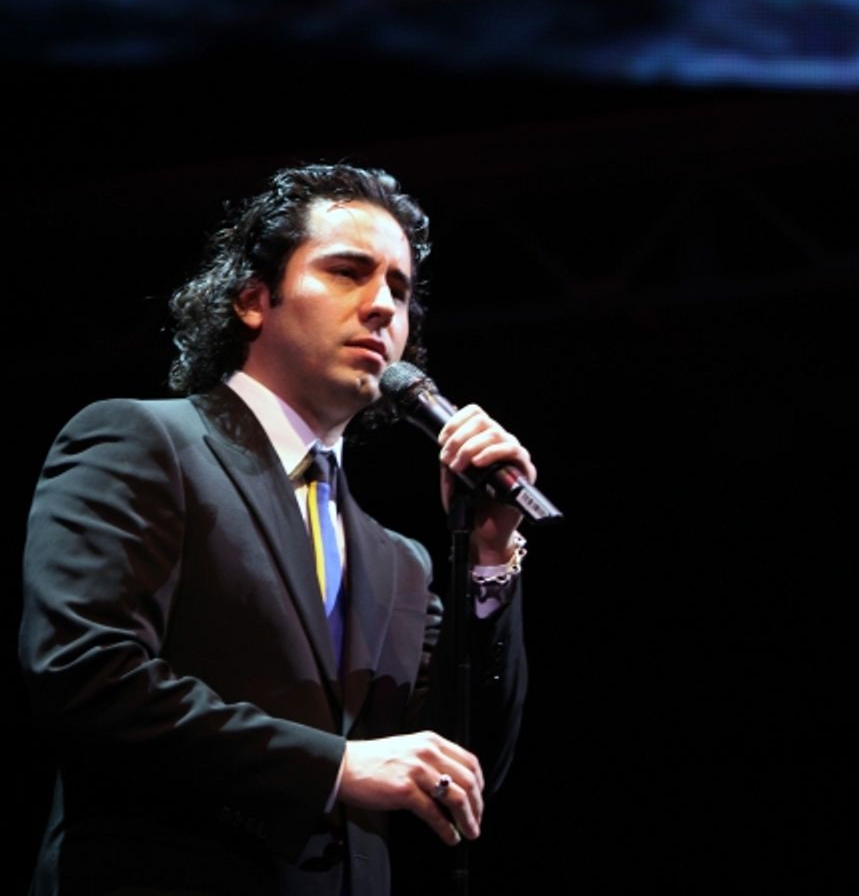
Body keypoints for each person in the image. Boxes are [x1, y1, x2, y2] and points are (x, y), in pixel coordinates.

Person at [18, 163, 535, 895]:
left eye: (399, 288)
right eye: (349, 271)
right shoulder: (143, 441)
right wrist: (334, 767)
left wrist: (487, 556)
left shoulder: (401, 561)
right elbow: (86, 676)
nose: (383, 307)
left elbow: (457, 764)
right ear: (254, 300)